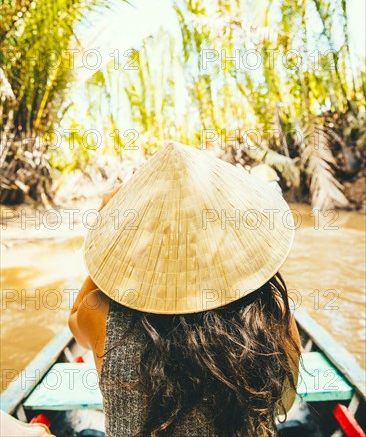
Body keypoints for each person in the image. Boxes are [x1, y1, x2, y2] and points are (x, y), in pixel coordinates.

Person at [69, 142, 301, 437]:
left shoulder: (99, 311)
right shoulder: (272, 312)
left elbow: (75, 322)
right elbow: (284, 403)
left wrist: (105, 226)